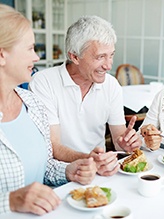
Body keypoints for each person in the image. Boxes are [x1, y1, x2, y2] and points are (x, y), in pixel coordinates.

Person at [0, 4, 97, 215]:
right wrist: (9, 201)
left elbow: (44, 167)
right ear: (2, 55)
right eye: (30, 49)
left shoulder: (32, 103)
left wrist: (70, 171)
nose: (36, 58)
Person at [29, 15, 142, 176]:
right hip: (60, 175)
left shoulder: (111, 85)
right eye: (100, 57)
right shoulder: (43, 83)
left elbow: (119, 142)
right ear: (74, 56)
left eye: (111, 55)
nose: (108, 65)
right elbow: (53, 146)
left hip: (100, 173)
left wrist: (127, 144)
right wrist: (89, 160)